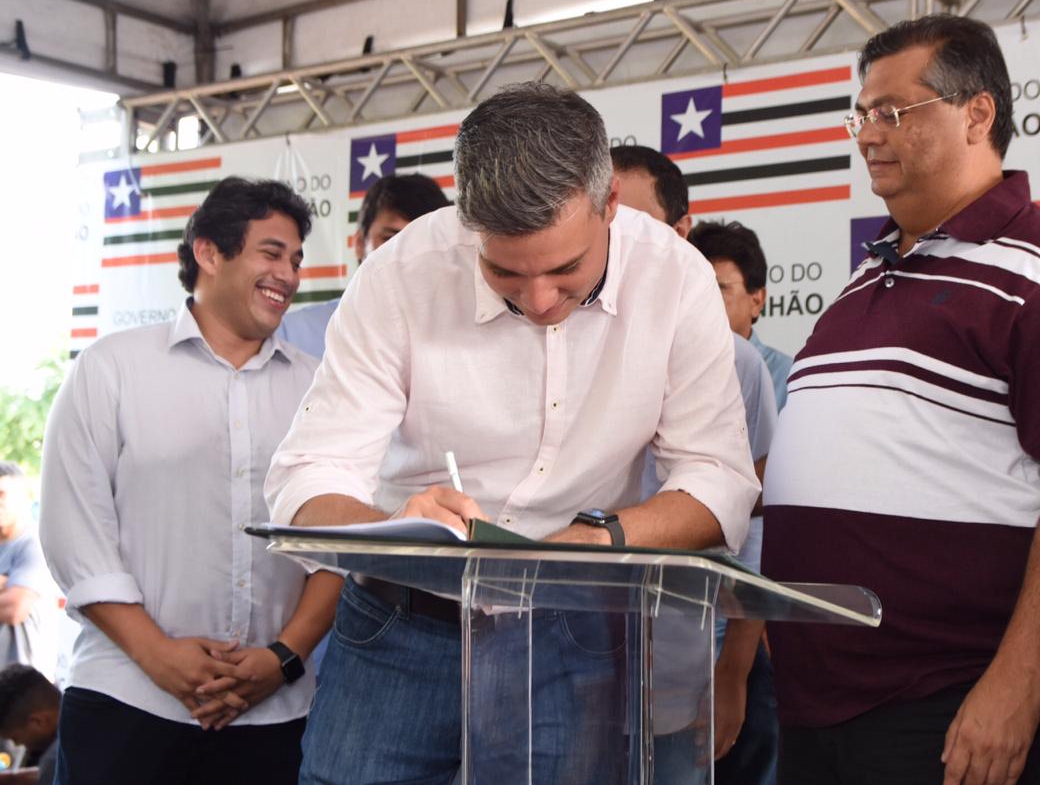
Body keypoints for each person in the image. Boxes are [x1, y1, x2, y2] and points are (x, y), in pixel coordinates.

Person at [265, 83, 758, 784]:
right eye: (504, 273)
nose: (540, 301)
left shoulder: (675, 280)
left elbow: (720, 481)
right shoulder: (400, 275)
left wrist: (599, 538)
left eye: (565, 270)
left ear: (609, 202)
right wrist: (391, 526)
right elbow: (305, 476)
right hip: (401, 621)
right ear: (468, 220)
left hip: (573, 625)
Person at [762, 14, 1040, 784]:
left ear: (978, 113)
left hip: (952, 705)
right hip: (820, 708)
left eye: (892, 111)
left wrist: (1017, 683)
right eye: (861, 114)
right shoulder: (869, 276)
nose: (867, 134)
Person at [39, 178, 343, 785]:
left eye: (296, 260)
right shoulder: (112, 368)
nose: (288, 274)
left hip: (278, 712)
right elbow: (76, 534)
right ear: (209, 252)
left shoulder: (323, 388)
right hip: (127, 699)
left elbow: (339, 544)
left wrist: (281, 661)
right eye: (271, 252)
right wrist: (158, 657)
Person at [611, 144, 780, 785]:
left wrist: (734, 669)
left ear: (680, 231)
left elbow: (755, 528)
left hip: (681, 669)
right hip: (554, 673)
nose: (613, 241)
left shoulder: (736, 364)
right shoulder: (545, 336)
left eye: (633, 221)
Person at [278, 172, 449, 357]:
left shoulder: (456, 340)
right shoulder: (292, 334)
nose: (404, 255)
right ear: (359, 243)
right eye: (390, 239)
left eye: (421, 242)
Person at [686, 220, 792, 412]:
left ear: (757, 300)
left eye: (719, 287)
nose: (703, 298)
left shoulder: (789, 379)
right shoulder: (671, 371)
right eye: (696, 286)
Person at [0, 464, 55, 681]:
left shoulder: (35, 544)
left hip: (26, 689)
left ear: (24, 497)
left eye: (2, 494)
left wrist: (10, 591)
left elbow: (14, 608)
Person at [0, 664, 60, 784]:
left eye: (14, 738)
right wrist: (13, 778)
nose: (17, 744)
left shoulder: (54, 761)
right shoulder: (89, 708)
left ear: (38, 722)